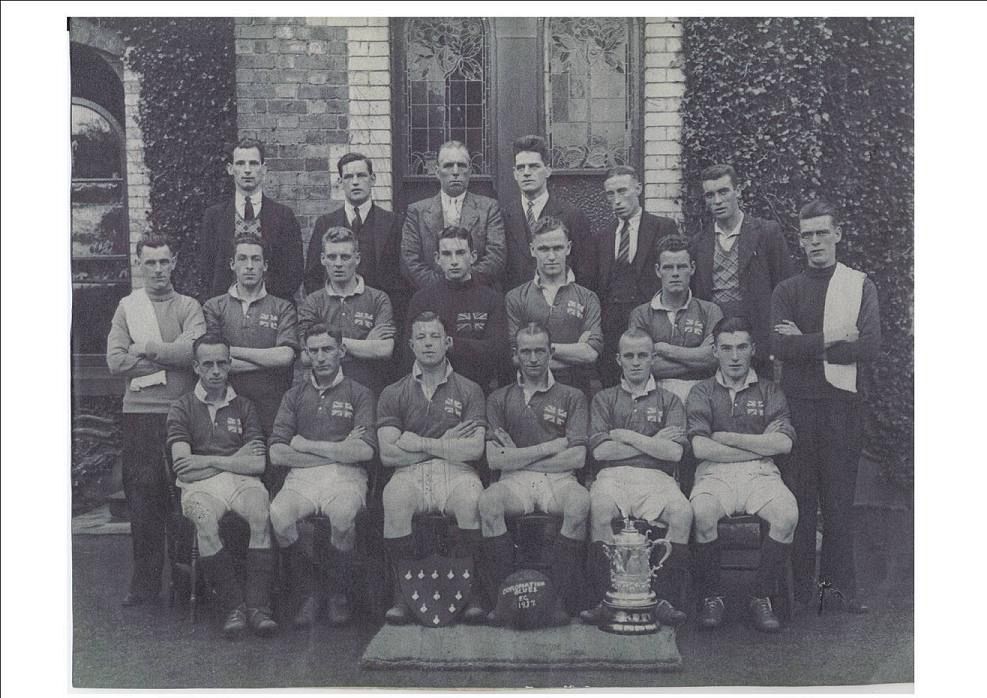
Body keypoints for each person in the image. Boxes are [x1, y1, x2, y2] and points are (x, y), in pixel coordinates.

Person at [771, 199, 881, 612]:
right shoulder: (788, 289)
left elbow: (868, 346)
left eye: (822, 233)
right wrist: (833, 337)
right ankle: (801, 592)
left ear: (838, 234)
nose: (815, 241)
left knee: (838, 502)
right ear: (800, 241)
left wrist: (805, 342)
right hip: (799, 406)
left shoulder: (859, 285)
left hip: (841, 407)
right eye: (807, 235)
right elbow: (779, 346)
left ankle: (839, 590)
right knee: (801, 499)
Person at [106, 235, 205, 607]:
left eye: (164, 261)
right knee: (143, 501)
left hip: (181, 411)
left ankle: (184, 583)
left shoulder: (189, 306)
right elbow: (116, 361)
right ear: (140, 264)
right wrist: (170, 356)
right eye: (150, 262)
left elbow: (194, 353)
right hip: (139, 413)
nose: (158, 269)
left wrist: (147, 348)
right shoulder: (128, 307)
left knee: (183, 499)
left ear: (174, 262)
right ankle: (145, 585)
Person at [686, 316, 798, 633]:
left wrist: (727, 437)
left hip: (760, 473)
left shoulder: (770, 390)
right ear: (715, 351)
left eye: (741, 347)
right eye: (726, 348)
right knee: (701, 513)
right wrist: (760, 445)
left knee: (787, 515)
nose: (734, 356)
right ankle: (713, 596)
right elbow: (700, 448)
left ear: (753, 349)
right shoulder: (701, 391)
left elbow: (784, 444)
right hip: (714, 473)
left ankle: (760, 595)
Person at [376, 312, 487, 625]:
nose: (428, 343)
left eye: (435, 337)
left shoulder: (469, 389)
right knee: (394, 499)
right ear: (411, 345)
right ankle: (402, 595)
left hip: (457, 471)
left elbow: (474, 449)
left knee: (471, 500)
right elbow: (388, 454)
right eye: (421, 337)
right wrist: (444, 442)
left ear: (448, 342)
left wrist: (419, 443)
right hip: (410, 473)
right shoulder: (393, 392)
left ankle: (472, 593)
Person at [579, 329, 692, 628]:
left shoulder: (670, 400)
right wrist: (654, 442)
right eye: (629, 356)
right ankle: (604, 598)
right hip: (612, 477)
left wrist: (626, 436)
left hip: (658, 478)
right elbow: (601, 452)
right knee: (599, 509)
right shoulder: (604, 399)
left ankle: (665, 599)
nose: (636, 362)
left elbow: (674, 453)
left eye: (642, 355)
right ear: (618, 360)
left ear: (653, 358)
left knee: (682, 512)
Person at [166, 335, 276, 638]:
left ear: (229, 365)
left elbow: (257, 464)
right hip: (199, 488)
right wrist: (234, 458)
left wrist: (208, 461)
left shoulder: (244, 406)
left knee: (261, 514)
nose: (215, 371)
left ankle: (258, 608)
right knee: (204, 522)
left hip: (243, 482)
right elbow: (183, 466)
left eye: (221, 363)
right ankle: (233, 607)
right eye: (208, 364)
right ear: (196, 367)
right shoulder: (182, 407)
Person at [479, 323, 590, 624]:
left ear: (551, 353)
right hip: (514, 482)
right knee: (488, 503)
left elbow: (577, 457)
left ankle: (558, 601)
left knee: (580, 503)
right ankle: (504, 598)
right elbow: (494, 459)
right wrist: (550, 447)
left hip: (559, 480)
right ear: (515, 354)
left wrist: (516, 456)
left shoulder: (573, 396)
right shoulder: (499, 398)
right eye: (525, 351)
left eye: (539, 351)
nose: (532, 359)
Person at [268, 324, 377, 628]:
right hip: (302, 476)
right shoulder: (294, 395)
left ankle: (338, 593)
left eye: (327, 349)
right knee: (279, 515)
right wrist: (340, 448)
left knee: (342, 517)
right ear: (306, 354)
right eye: (313, 351)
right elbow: (277, 453)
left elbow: (364, 452)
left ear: (341, 351)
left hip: (346, 476)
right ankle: (311, 591)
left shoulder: (360, 393)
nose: (320, 357)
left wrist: (305, 444)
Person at [689, 164, 796, 376]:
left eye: (723, 192)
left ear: (737, 191)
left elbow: (785, 288)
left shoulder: (766, 233)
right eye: (710, 195)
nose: (717, 201)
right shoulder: (699, 242)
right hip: (717, 338)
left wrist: (780, 338)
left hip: (758, 336)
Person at [202, 235, 298, 439]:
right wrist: (268, 361)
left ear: (265, 265)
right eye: (242, 259)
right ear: (232, 264)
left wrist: (231, 351)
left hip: (272, 404)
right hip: (227, 402)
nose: (249, 266)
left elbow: (285, 357)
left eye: (256, 259)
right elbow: (213, 360)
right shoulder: (214, 306)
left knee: (272, 455)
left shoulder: (283, 307)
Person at [594, 166, 679, 387]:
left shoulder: (662, 227)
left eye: (622, 191)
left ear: (638, 189)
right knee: (613, 383)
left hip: (650, 320)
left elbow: (674, 273)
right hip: (612, 325)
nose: (616, 200)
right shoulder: (603, 236)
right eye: (610, 194)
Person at [303, 153, 408, 329]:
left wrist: (388, 320)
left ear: (373, 179)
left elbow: (402, 277)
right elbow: (313, 276)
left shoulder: (394, 223)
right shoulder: (325, 223)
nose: (355, 182)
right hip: (335, 320)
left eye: (361, 175)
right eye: (348, 177)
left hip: (381, 319)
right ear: (340, 182)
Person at [505, 216, 603, 395]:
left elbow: (590, 354)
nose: (551, 256)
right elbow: (514, 356)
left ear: (568, 248)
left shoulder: (588, 297)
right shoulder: (515, 297)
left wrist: (535, 349)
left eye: (557, 248)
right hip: (530, 393)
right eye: (544, 249)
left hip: (576, 391)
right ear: (532, 250)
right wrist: (573, 352)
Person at [199, 138, 304, 302]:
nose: (247, 170)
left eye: (253, 164)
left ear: (264, 169)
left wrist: (266, 302)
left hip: (273, 307)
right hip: (225, 309)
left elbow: (294, 272)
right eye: (240, 163)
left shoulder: (284, 216)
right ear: (230, 169)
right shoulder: (214, 217)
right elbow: (206, 270)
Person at [404, 225, 508, 391]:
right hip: (432, 388)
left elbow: (497, 350)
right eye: (447, 254)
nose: (454, 261)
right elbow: (410, 352)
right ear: (437, 258)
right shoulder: (422, 300)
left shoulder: (492, 299)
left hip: (480, 386)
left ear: (473, 256)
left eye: (460, 253)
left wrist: (451, 344)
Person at [298, 226, 395, 396]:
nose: (338, 264)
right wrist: (365, 345)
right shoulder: (313, 301)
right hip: (323, 393)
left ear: (357, 259)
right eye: (332, 257)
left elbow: (384, 350)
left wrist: (326, 345)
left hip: (367, 389)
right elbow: (306, 357)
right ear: (322, 259)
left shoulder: (378, 299)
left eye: (345, 257)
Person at [626, 235, 723, 404]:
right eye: (668, 267)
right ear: (658, 270)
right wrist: (697, 357)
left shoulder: (710, 311)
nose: (675, 273)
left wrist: (664, 349)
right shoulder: (641, 314)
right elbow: (641, 365)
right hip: (654, 396)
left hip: (703, 395)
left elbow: (715, 358)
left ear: (692, 268)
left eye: (682, 266)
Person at [401, 140, 506, 289]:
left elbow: (496, 256)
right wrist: (442, 288)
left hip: (477, 292)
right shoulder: (416, 211)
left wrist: (466, 282)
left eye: (461, 165)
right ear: (437, 172)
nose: (455, 172)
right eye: (448, 165)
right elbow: (409, 260)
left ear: (470, 171)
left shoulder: (489, 208)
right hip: (432, 295)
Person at [501, 135, 593, 290]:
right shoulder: (504, 216)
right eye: (521, 168)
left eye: (534, 166)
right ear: (515, 174)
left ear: (548, 171)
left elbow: (585, 271)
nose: (526, 173)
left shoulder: (572, 215)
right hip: (517, 302)